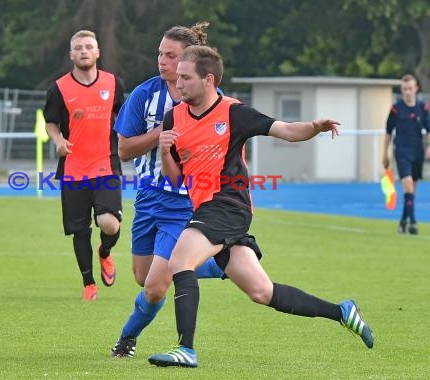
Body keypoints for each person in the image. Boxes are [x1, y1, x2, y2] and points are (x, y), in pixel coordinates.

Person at [147, 45, 374, 368]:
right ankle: (342, 311)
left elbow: (285, 130)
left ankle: (186, 348)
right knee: (262, 292)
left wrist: (314, 126)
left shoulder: (234, 113)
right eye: (177, 77)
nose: (178, 83)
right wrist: (164, 151)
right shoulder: (174, 117)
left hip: (228, 204)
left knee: (180, 260)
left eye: (185, 77)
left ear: (208, 80)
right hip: (205, 208)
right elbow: (175, 178)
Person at [111, 22, 225, 358]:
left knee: (157, 285)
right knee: (142, 277)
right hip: (147, 198)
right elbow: (124, 150)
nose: (162, 61)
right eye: (160, 53)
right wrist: (160, 132)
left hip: (184, 203)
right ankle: (217, 264)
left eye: (171, 55)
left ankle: (126, 340)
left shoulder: (208, 100)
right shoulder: (145, 95)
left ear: (188, 60)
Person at [43, 30, 125, 301]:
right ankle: (89, 283)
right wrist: (58, 140)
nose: (84, 51)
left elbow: (124, 117)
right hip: (74, 167)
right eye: (78, 48)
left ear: (97, 52)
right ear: (71, 55)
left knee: (109, 223)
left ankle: (105, 251)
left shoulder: (114, 84)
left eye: (89, 46)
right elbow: (51, 122)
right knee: (80, 230)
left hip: (106, 164)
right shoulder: (59, 88)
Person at [382, 74, 430, 235]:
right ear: (401, 90)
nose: (408, 92)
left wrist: (429, 146)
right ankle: (413, 222)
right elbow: (388, 132)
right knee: (407, 183)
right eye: (404, 89)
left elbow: (429, 130)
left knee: (412, 189)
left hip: (418, 151)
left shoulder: (423, 108)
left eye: (410, 88)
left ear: (416, 89)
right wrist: (385, 153)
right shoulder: (396, 109)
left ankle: (403, 221)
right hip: (402, 151)